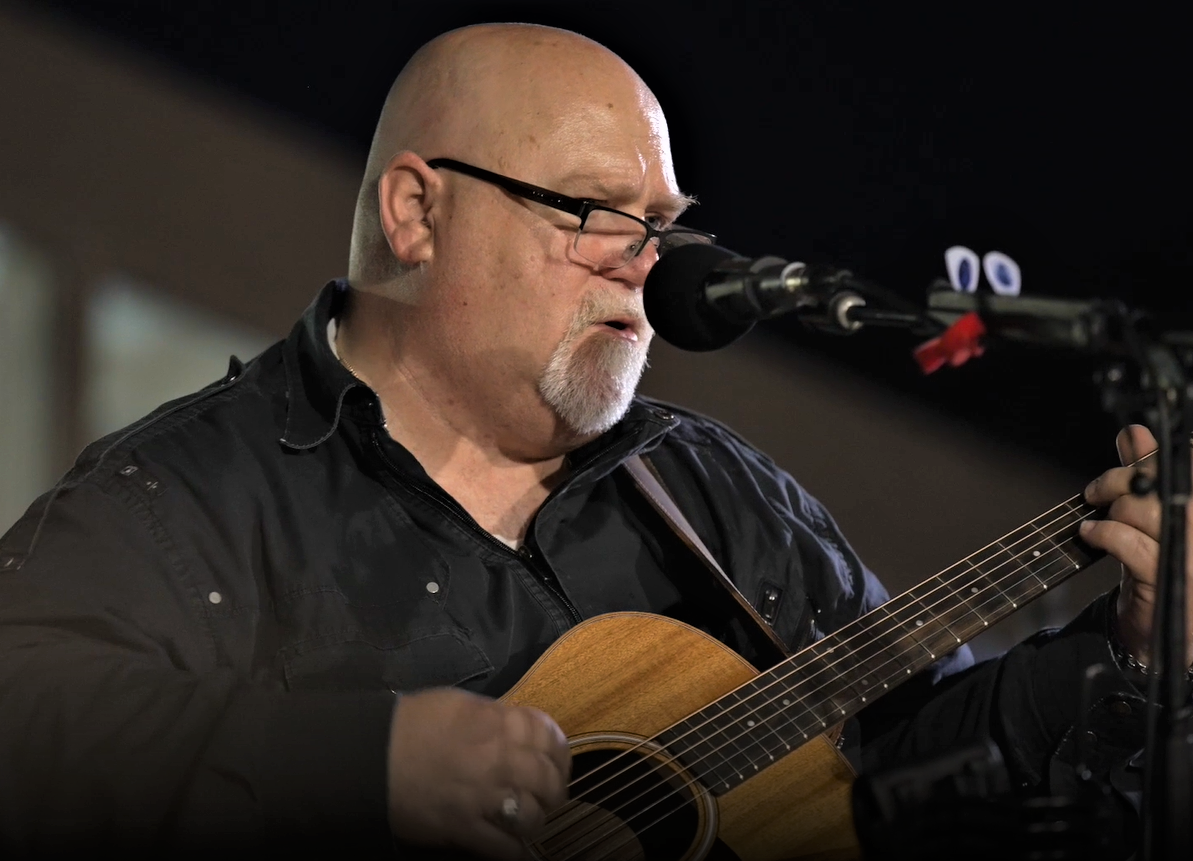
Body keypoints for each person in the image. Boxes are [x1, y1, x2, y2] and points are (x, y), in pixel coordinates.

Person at [0, 21, 1187, 861]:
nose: (645, 263)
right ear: (417, 211)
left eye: (661, 224)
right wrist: (367, 763)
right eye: (590, 212)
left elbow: (906, 765)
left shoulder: (714, 495)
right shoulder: (187, 492)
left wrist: (1127, 653)